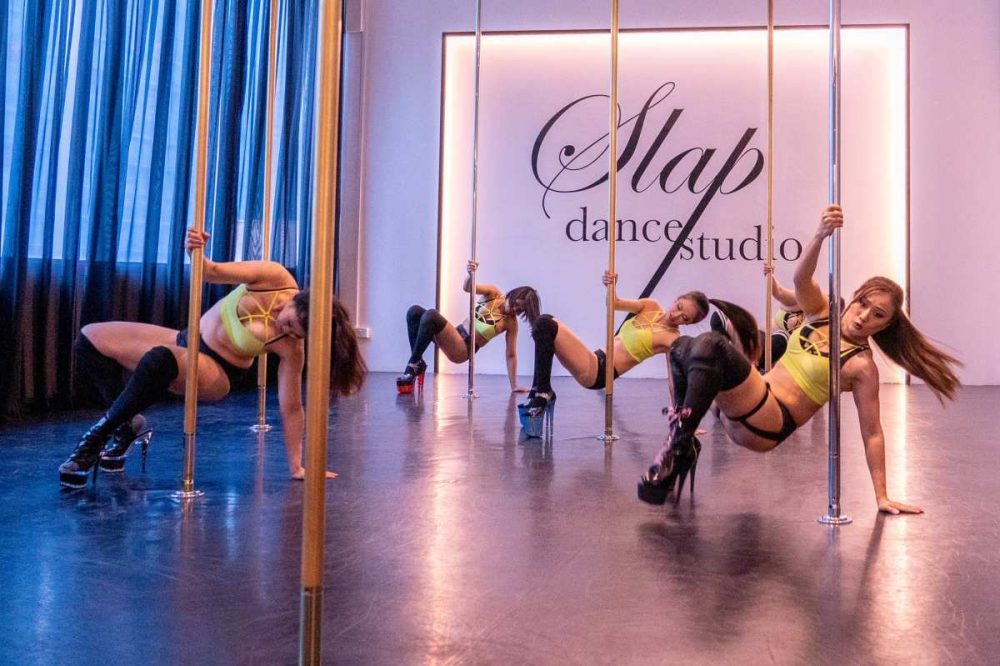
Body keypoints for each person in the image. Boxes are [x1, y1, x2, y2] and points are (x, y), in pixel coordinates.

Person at [637, 205, 961, 514]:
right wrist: (819, 235)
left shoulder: (861, 366)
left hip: (767, 422)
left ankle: (678, 445)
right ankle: (684, 443)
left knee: (712, 345)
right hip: (748, 402)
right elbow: (801, 280)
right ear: (855, 296)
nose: (863, 317)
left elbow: (873, 432)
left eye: (877, 315)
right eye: (863, 304)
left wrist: (882, 496)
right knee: (682, 347)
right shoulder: (821, 312)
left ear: (885, 326)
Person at [58, 228, 366, 489]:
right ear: (298, 301)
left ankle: (93, 441)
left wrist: (297, 465)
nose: (284, 329)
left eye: (295, 333)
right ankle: (127, 425)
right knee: (89, 338)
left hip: (217, 370)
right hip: (185, 339)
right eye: (288, 322)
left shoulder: (290, 348)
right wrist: (194, 249)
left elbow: (292, 408)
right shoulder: (275, 276)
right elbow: (210, 271)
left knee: (160, 360)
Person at [521, 271, 711, 417]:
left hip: (600, 373)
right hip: (596, 357)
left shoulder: (672, 339)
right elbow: (614, 303)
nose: (676, 315)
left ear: (688, 324)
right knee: (544, 323)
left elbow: (673, 381)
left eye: (685, 318)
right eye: (679, 307)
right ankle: (539, 391)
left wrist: (682, 416)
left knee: (545, 324)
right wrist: (611, 285)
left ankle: (543, 393)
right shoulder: (650, 306)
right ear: (677, 299)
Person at [397, 260, 540, 394]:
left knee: (431, 315)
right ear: (514, 294)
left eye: (519, 311)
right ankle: (417, 362)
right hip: (455, 333)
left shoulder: (511, 323)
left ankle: (413, 365)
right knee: (414, 312)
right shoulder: (494, 293)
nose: (514, 310)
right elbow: (467, 288)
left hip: (463, 348)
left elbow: (511, 355)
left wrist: (514, 386)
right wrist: (470, 274)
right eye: (516, 304)